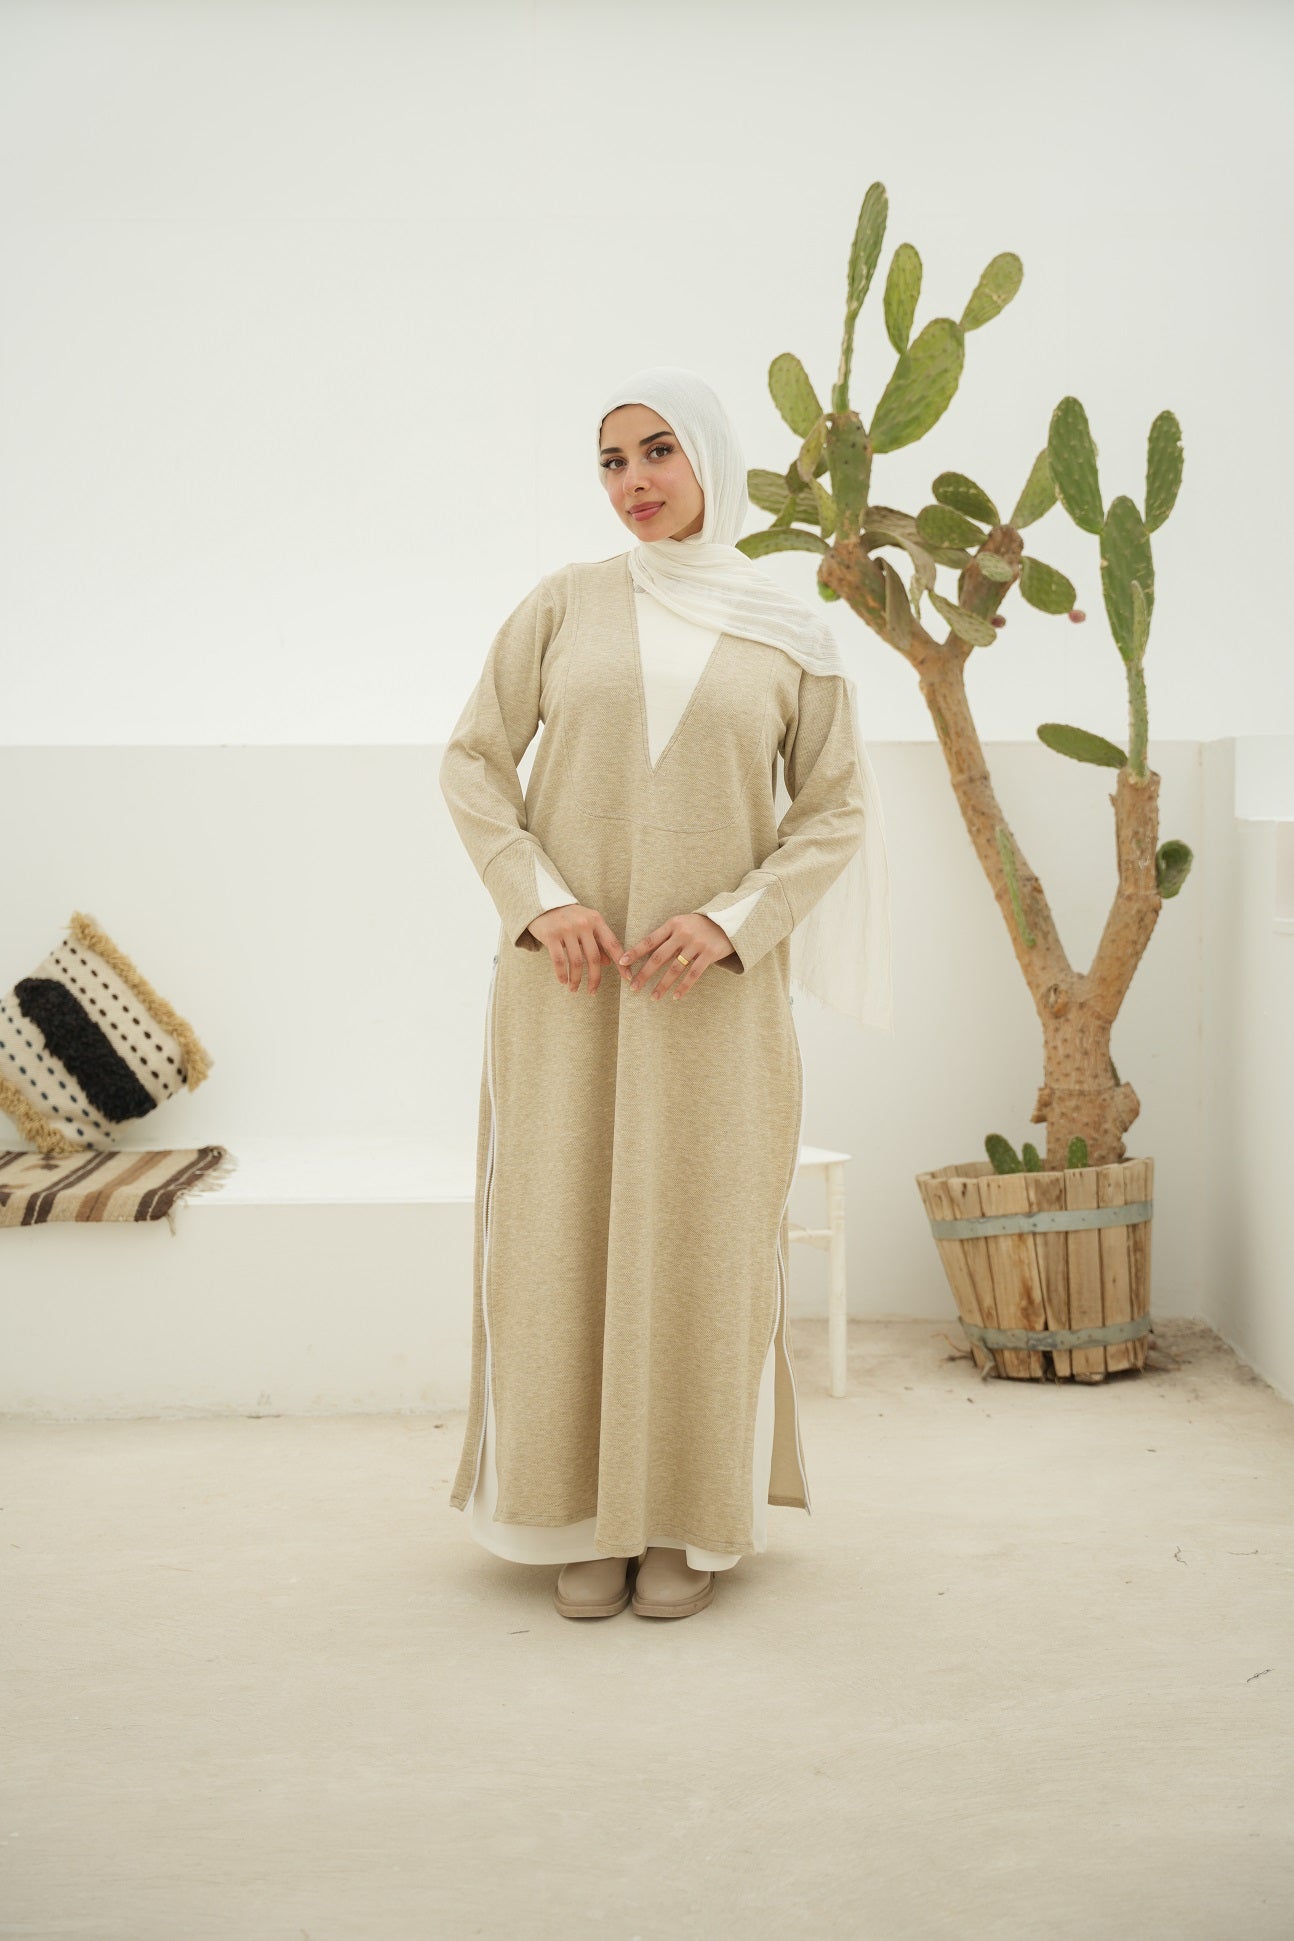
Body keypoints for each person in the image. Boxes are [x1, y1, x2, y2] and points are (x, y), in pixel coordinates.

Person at [438, 365, 892, 1622]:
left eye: (656, 452)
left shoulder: (790, 634)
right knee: (556, 1234)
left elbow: (834, 810)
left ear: (708, 458)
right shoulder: (563, 606)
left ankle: (682, 1519)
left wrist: (730, 922)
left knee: (702, 1244)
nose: (632, 481)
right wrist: (538, 897)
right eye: (611, 461)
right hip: (566, 987)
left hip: (715, 999)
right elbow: (473, 762)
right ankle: (570, 1514)